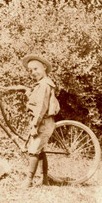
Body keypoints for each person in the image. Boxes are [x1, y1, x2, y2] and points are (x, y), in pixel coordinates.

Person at [21, 54, 60, 188]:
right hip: (42, 121)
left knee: (33, 151)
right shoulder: (42, 84)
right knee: (40, 150)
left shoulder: (44, 85)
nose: (33, 73)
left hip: (43, 122)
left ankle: (28, 180)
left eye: (36, 69)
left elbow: (41, 108)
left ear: (44, 67)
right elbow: (36, 102)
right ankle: (44, 180)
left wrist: (35, 125)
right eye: (30, 70)